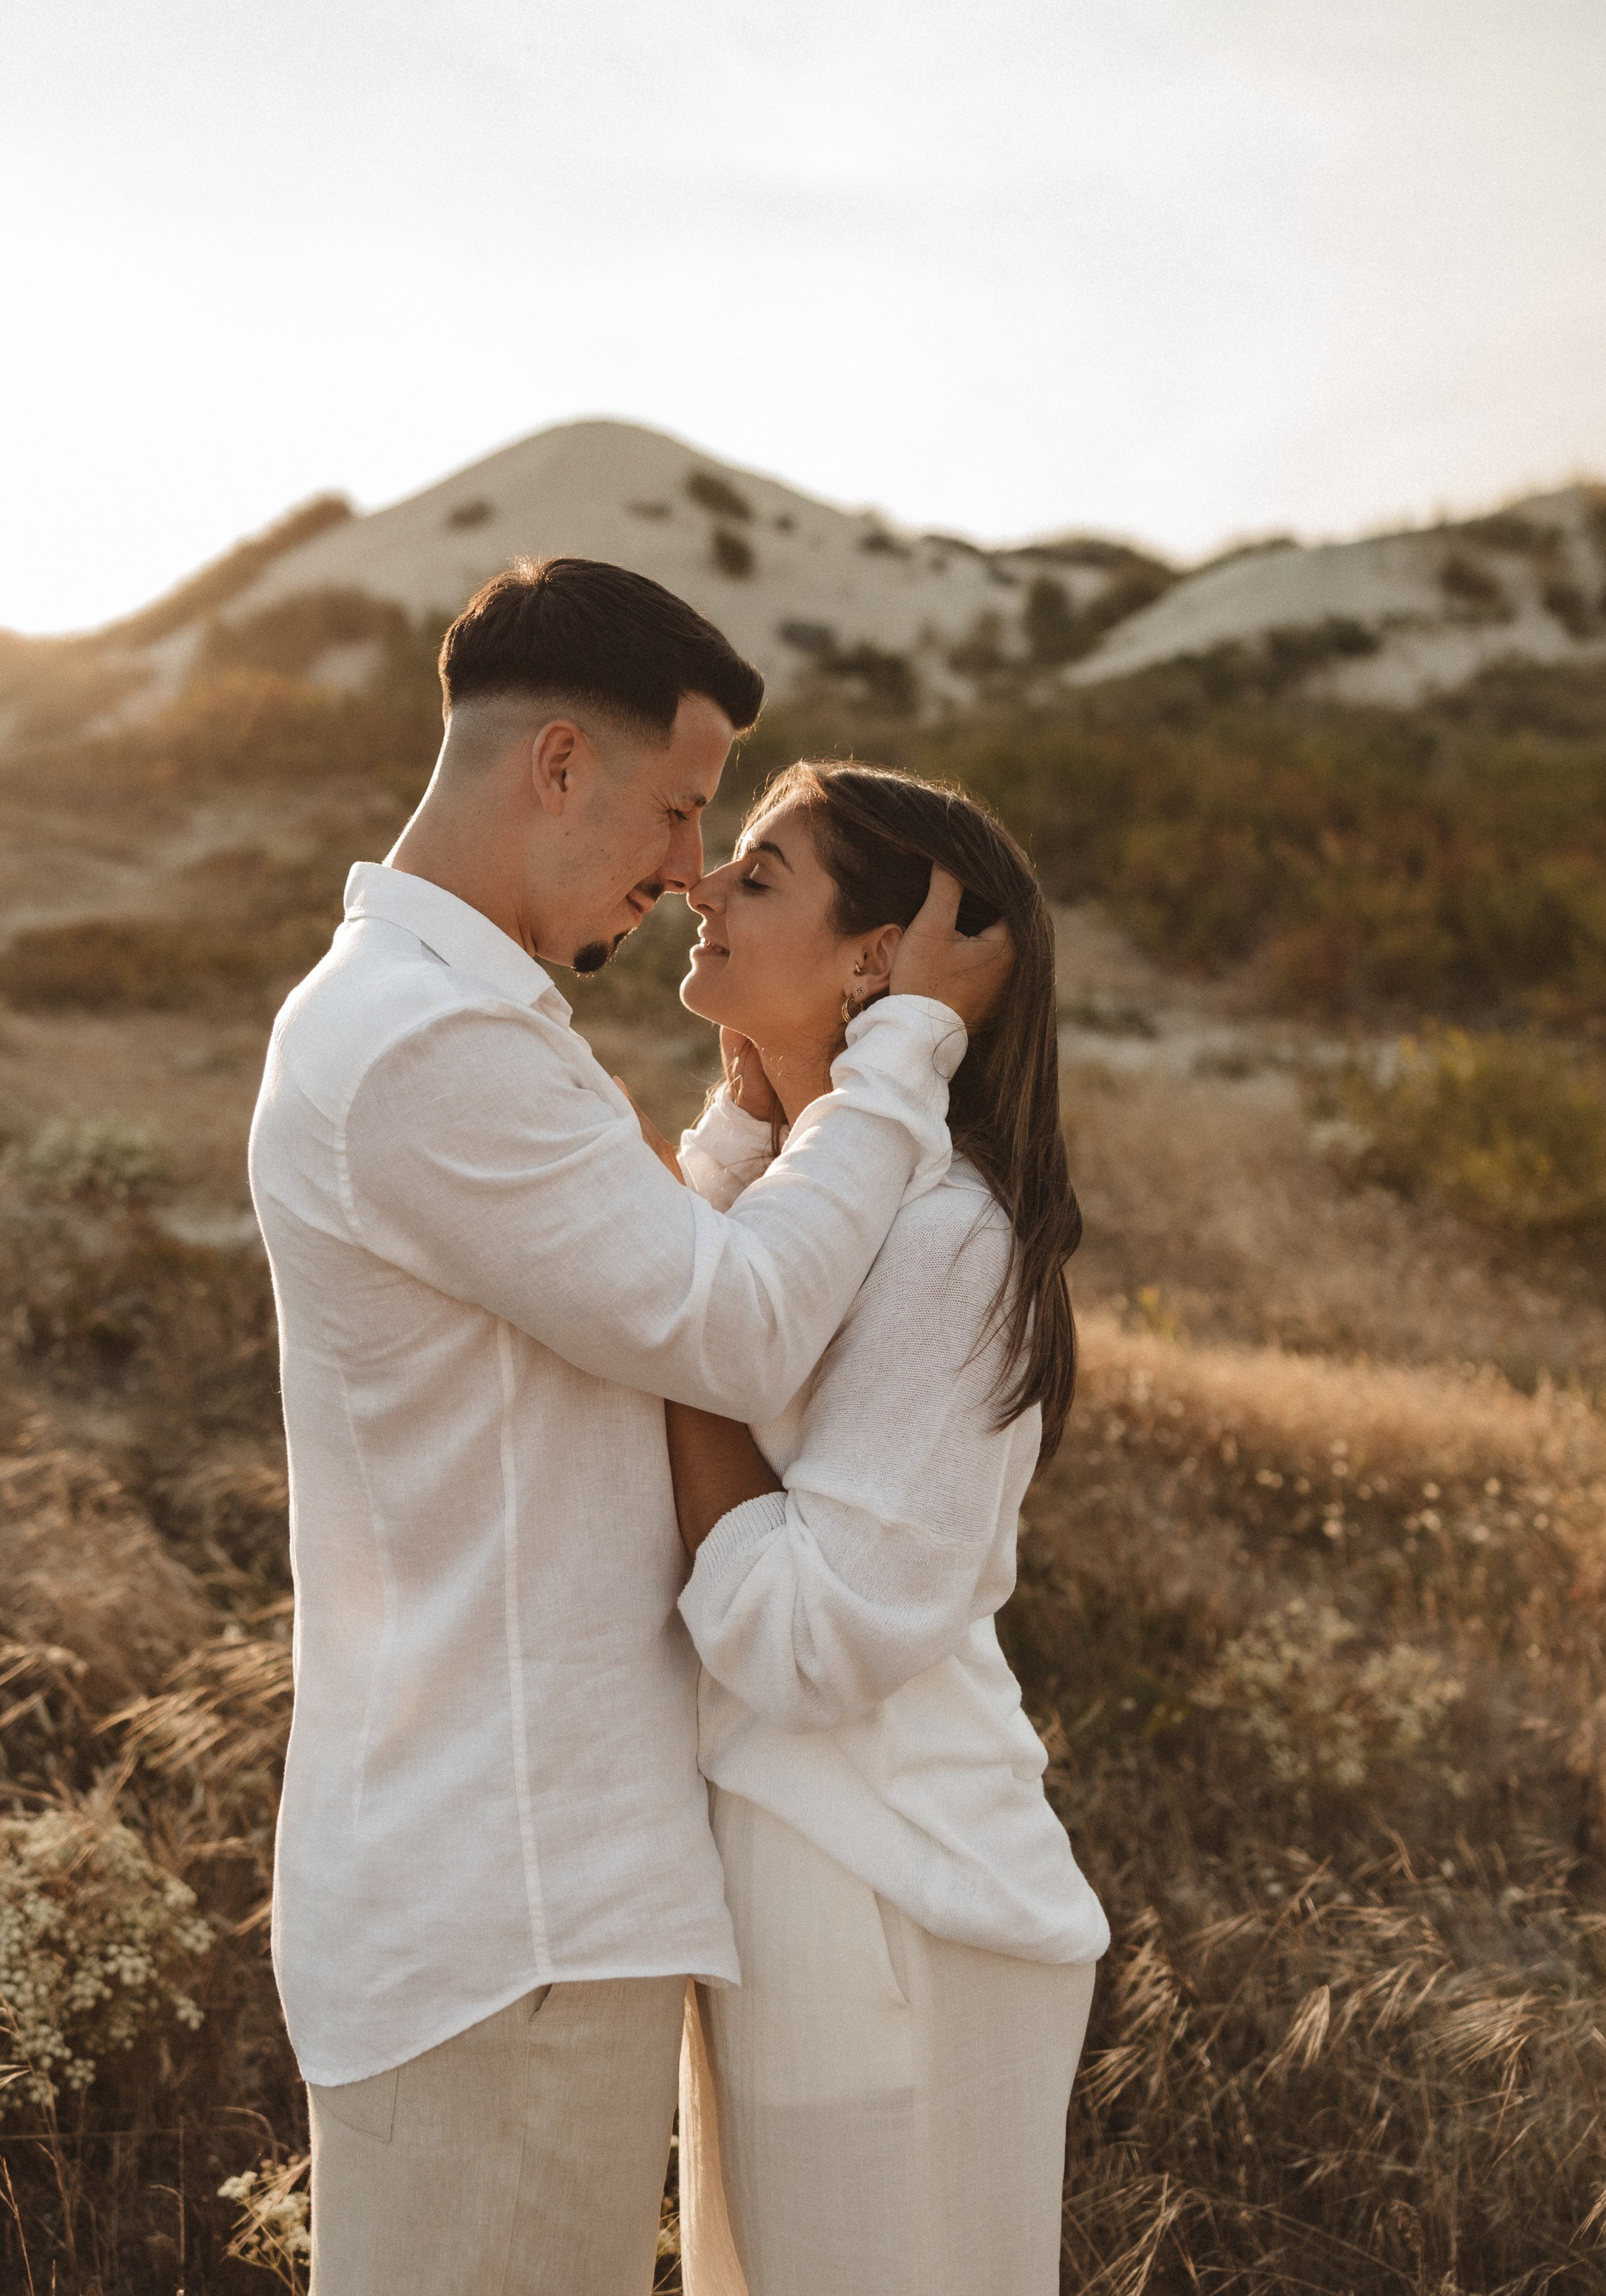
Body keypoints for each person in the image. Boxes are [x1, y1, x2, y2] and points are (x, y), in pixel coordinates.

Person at [245, 559, 1012, 2296]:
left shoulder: (428, 1017)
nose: (687, 873)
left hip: (510, 1885)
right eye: (678, 812)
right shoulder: (431, 1044)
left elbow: (684, 1280)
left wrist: (754, 1138)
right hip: (507, 1897)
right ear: (560, 767)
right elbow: (730, 1324)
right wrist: (899, 1062)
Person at [661, 761, 1109, 2296]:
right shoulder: (800, 1201)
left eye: (761, 873)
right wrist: (718, 1183)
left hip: (889, 1885)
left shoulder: (942, 1239)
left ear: (875, 959)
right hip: (787, 1858)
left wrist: (679, 1354)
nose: (704, 887)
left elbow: (812, 1635)